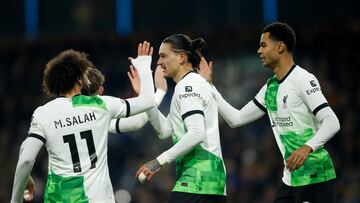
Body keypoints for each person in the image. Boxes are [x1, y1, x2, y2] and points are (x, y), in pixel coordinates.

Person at [200, 22, 340, 203]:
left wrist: (306, 148)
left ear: (280, 47)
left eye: (263, 45)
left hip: (316, 177)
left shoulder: (303, 79)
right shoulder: (270, 88)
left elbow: (331, 121)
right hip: (290, 179)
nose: (259, 51)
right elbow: (237, 119)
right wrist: (209, 86)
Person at [11, 42, 156, 203]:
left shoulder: (43, 113)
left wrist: (17, 196)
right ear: (79, 79)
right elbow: (148, 101)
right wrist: (143, 66)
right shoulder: (101, 105)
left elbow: (26, 158)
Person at [135, 34, 227, 203]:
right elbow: (164, 131)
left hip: (198, 180)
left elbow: (197, 133)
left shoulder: (188, 87)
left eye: (163, 56)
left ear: (182, 58)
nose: (158, 62)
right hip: (209, 182)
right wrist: (147, 97)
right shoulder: (189, 86)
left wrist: (158, 162)